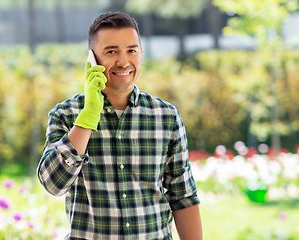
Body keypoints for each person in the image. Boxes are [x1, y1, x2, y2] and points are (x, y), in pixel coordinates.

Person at [37, 12, 202, 240]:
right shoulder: (66, 115)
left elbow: (183, 197)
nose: (123, 62)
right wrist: (88, 117)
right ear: (92, 59)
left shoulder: (167, 116)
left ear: (141, 54)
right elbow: (52, 185)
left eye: (131, 50)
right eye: (111, 51)